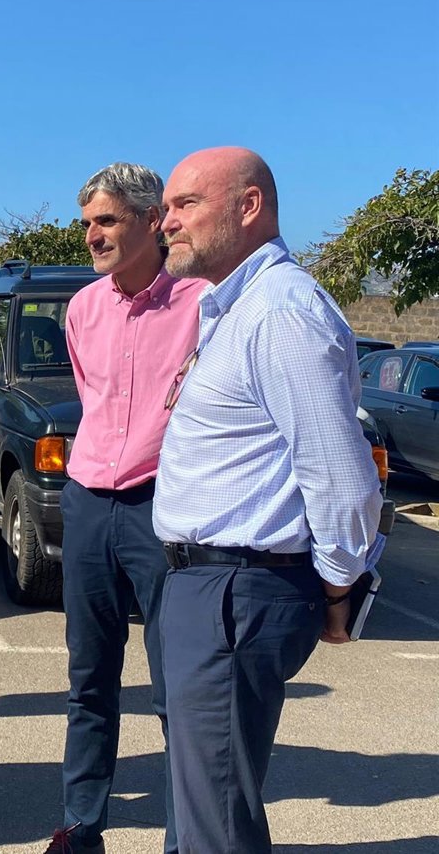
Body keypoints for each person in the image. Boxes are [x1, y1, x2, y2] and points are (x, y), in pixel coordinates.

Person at [153, 147, 384, 854]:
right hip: (208, 586)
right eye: (166, 208)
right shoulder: (236, 307)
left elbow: (340, 473)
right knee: (203, 811)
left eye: (186, 204)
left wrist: (339, 587)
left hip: (236, 590)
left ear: (248, 206)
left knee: (219, 825)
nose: (166, 222)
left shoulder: (282, 311)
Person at [43, 164, 206, 854]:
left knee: (177, 689)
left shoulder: (203, 302)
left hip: (160, 509)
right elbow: (95, 401)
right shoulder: (83, 309)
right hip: (87, 503)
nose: (92, 235)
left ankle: (184, 837)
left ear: (150, 221)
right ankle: (82, 826)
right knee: (89, 679)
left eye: (106, 221)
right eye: (87, 223)